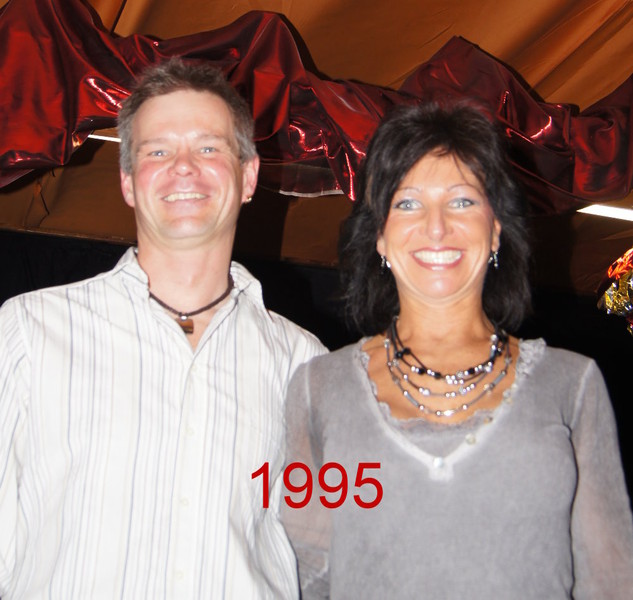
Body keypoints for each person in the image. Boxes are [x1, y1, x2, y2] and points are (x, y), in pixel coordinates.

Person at [0, 58, 325, 599]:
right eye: (157, 151)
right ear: (128, 183)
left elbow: (321, 553)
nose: (183, 168)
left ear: (248, 176)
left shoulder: (304, 362)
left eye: (208, 148)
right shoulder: (28, 332)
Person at [282, 102, 633, 598]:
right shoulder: (318, 388)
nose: (436, 226)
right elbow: (302, 571)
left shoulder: (572, 385)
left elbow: (612, 578)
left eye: (463, 201)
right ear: (380, 236)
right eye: (408, 203)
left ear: (496, 228)